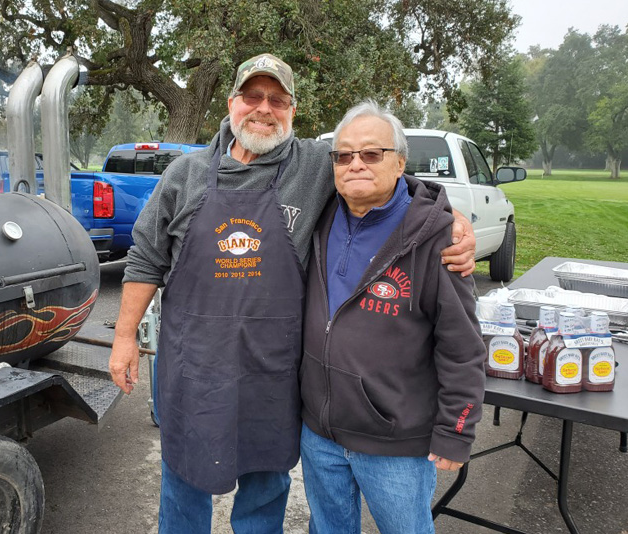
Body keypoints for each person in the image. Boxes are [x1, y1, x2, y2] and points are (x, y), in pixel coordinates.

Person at [108, 54, 476, 534]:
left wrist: (450, 219)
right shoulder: (186, 174)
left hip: (271, 377)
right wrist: (123, 337)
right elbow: (145, 258)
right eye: (253, 96)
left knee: (264, 497)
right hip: (193, 370)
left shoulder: (314, 166)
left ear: (292, 111)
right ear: (231, 103)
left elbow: (380, 177)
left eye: (277, 100)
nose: (264, 109)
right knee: (183, 488)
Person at [299, 100, 487, 534]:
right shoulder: (320, 217)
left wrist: (457, 430)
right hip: (320, 434)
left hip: (395, 444)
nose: (355, 164)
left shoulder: (436, 238)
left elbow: (461, 345)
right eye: (344, 155)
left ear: (400, 162)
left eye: (371, 154)